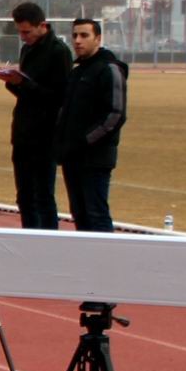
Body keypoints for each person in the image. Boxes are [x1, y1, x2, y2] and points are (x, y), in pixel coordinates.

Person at [0, 1, 72, 229]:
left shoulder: (59, 53)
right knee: (24, 196)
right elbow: (26, 93)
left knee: (43, 196)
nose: (22, 36)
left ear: (43, 26)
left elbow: (59, 97)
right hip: (23, 132)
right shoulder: (27, 49)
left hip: (45, 134)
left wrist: (24, 85)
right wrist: (12, 83)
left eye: (27, 31)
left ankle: (49, 243)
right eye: (20, 31)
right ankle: (28, 238)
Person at [55, 17, 128, 233]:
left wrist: (86, 140)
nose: (78, 40)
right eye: (75, 35)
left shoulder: (110, 70)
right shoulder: (77, 73)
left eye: (84, 35)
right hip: (72, 156)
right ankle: (86, 264)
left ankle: (107, 263)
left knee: (96, 214)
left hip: (95, 158)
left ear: (98, 38)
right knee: (80, 214)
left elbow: (115, 115)